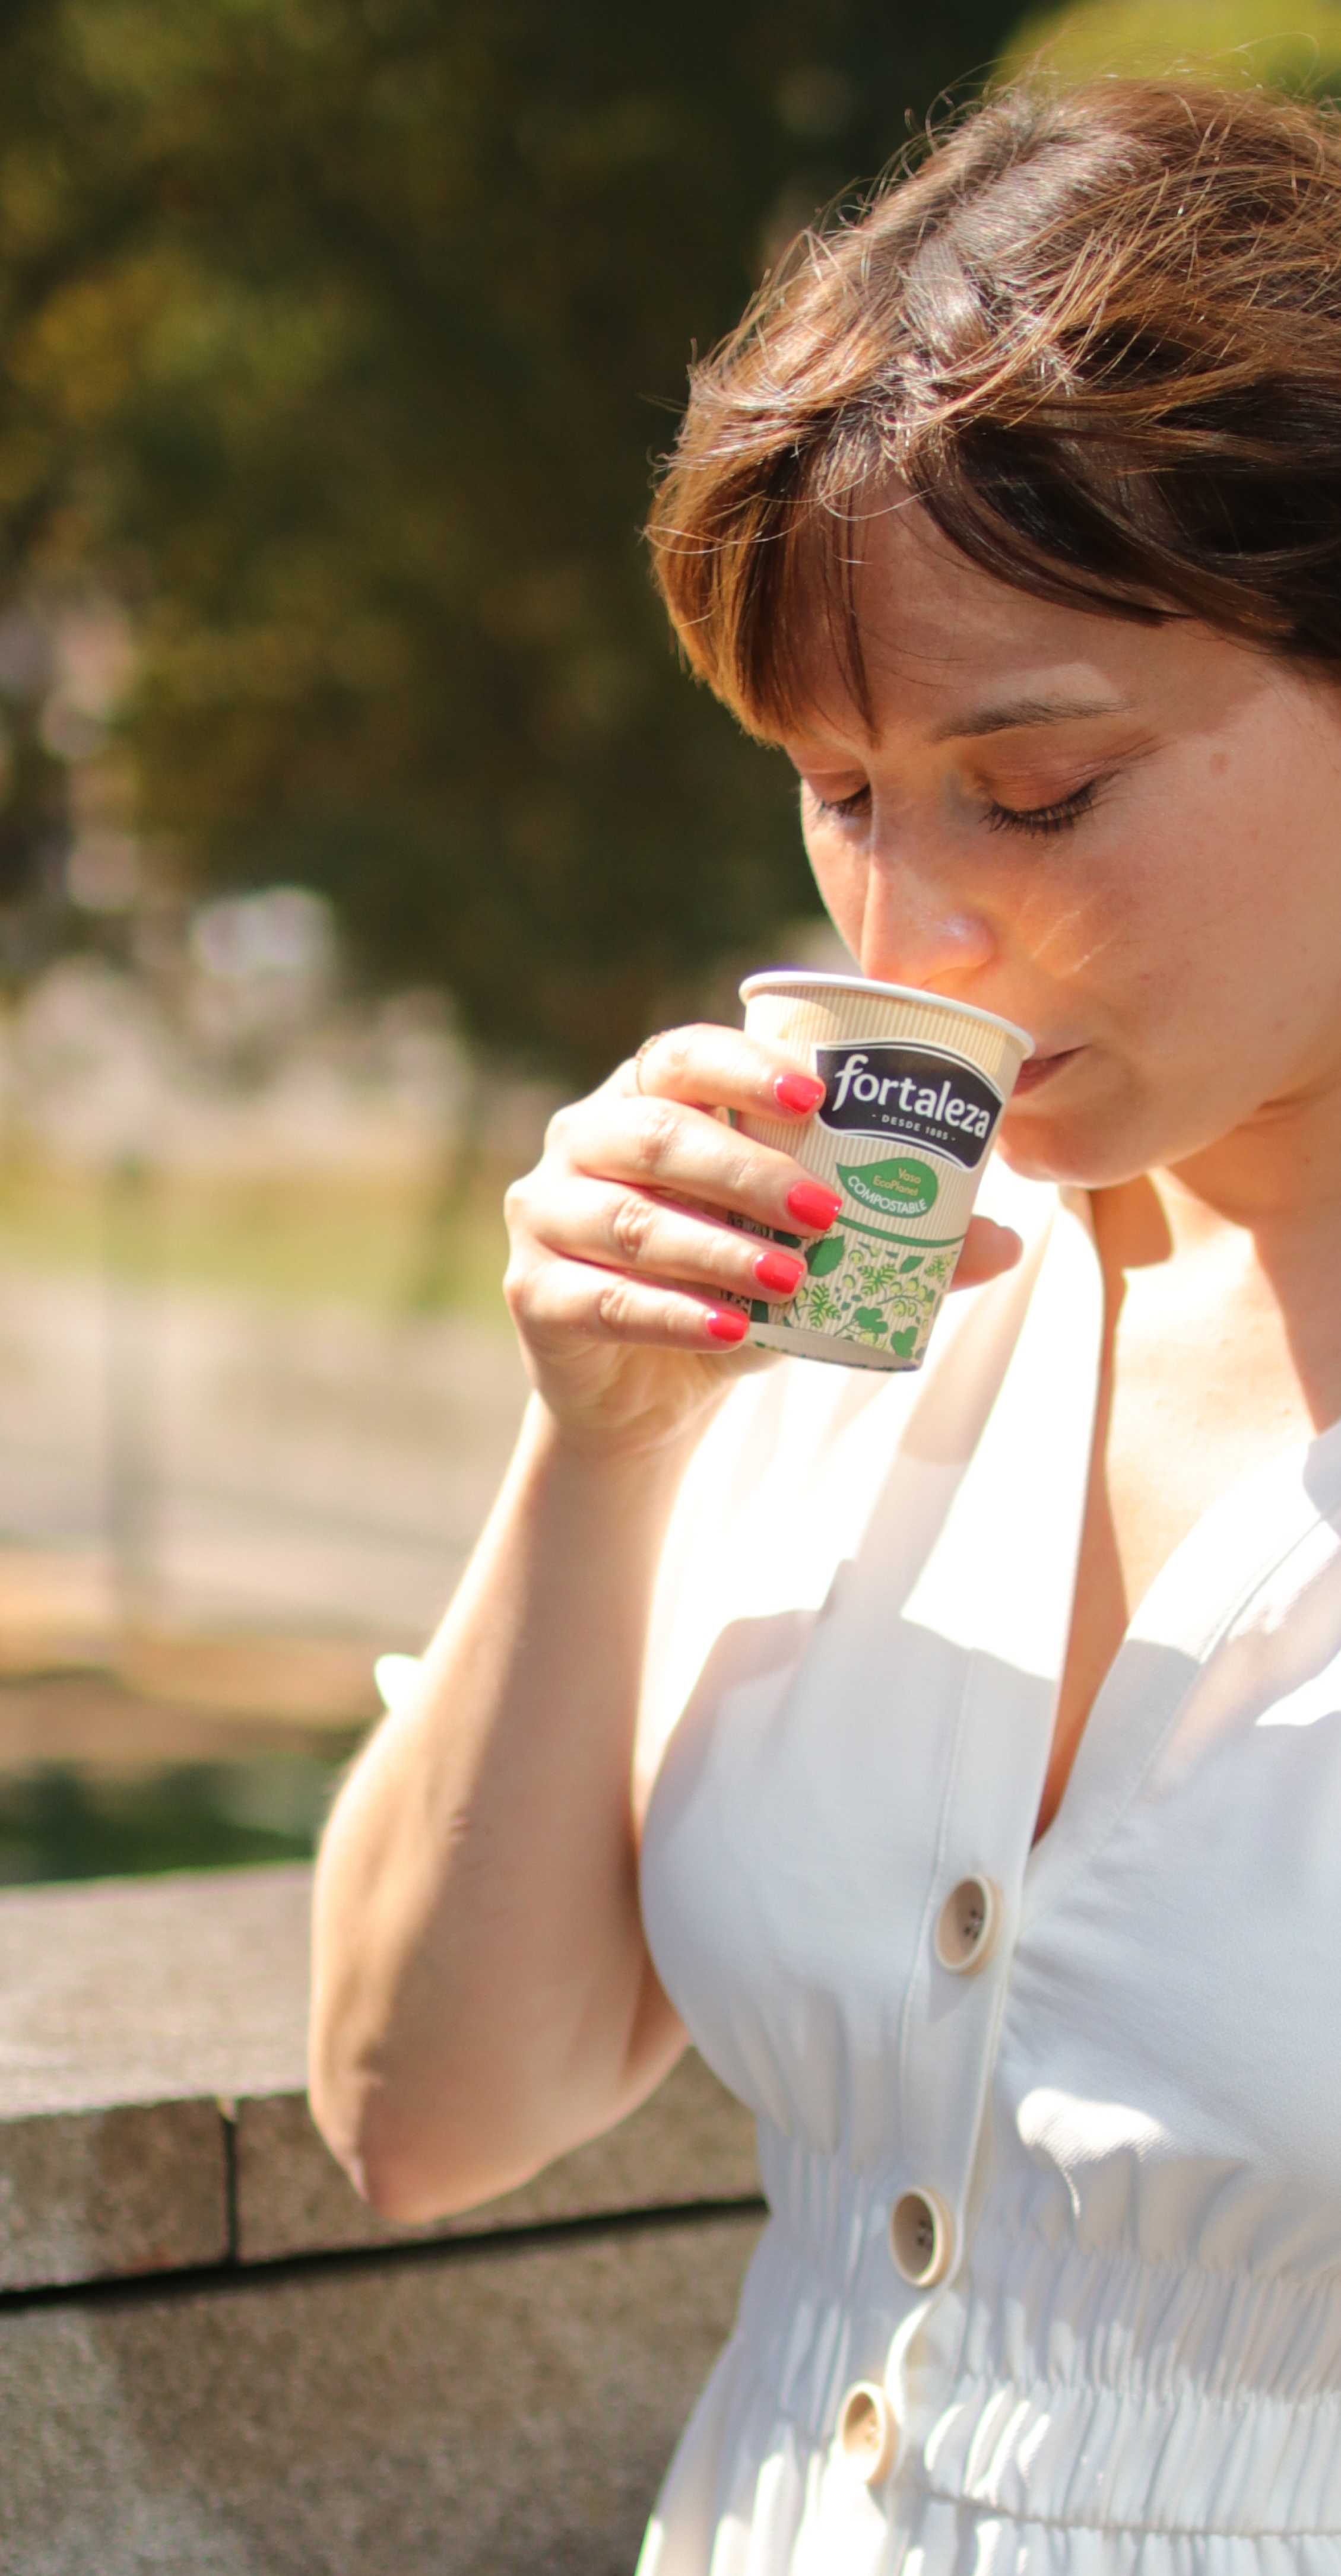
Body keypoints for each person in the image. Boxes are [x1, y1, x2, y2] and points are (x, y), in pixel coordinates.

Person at [308, 75, 1341, 2571]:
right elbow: (428, 2108)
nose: (911, 945)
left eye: (1041, 787)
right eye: (840, 789)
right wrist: (605, 1440)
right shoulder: (868, 1287)